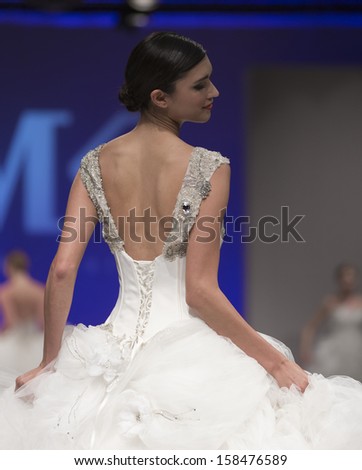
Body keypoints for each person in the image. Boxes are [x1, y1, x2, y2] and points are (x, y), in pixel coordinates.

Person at [0, 31, 362, 450]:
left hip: (104, 362)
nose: (215, 91)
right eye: (200, 84)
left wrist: (50, 364)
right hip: (190, 363)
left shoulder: (93, 165)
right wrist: (277, 363)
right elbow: (200, 292)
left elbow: (62, 269)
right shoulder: (209, 168)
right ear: (159, 97)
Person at [300, 263, 362, 382]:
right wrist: (305, 349)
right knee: (332, 384)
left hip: (356, 351)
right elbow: (310, 326)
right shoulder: (331, 302)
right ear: (339, 279)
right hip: (333, 351)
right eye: (344, 276)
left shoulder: (360, 302)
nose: (347, 280)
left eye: (351, 276)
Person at [0, 250, 44, 390]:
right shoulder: (38, 290)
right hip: (35, 342)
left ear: (9, 267)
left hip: (13, 341)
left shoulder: (7, 291)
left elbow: (10, 321)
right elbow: (42, 322)